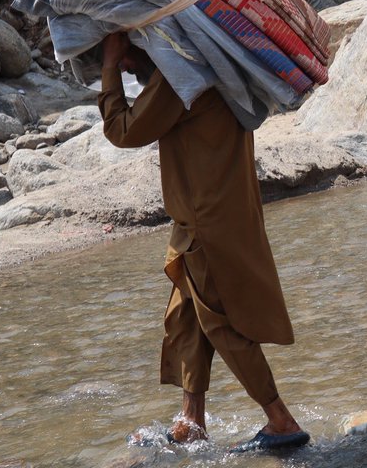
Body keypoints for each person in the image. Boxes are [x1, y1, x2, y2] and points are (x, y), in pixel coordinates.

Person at [97, 31, 309, 453]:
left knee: (222, 323)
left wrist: (108, 63)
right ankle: (191, 421)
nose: (126, 65)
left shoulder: (181, 76)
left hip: (205, 224)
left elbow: (122, 130)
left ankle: (280, 419)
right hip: (215, 216)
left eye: (128, 54)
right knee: (186, 318)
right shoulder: (215, 62)